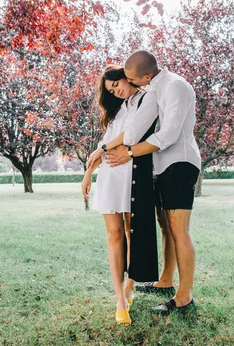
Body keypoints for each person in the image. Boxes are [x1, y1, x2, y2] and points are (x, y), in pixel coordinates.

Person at [87, 50, 201, 315]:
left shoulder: (175, 87)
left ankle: (184, 298)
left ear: (146, 76)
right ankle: (165, 282)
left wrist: (129, 153)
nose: (128, 84)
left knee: (179, 228)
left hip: (179, 162)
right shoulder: (153, 90)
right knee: (166, 224)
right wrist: (103, 150)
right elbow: (136, 129)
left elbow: (169, 134)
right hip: (160, 164)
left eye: (130, 79)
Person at [81, 65, 158, 326]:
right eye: (112, 91)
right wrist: (89, 172)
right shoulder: (117, 110)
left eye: (117, 86)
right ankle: (120, 299)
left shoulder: (147, 99)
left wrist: (103, 147)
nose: (117, 92)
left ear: (127, 76)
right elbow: (108, 140)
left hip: (133, 172)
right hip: (111, 177)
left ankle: (131, 286)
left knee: (130, 232)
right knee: (114, 234)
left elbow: (132, 134)